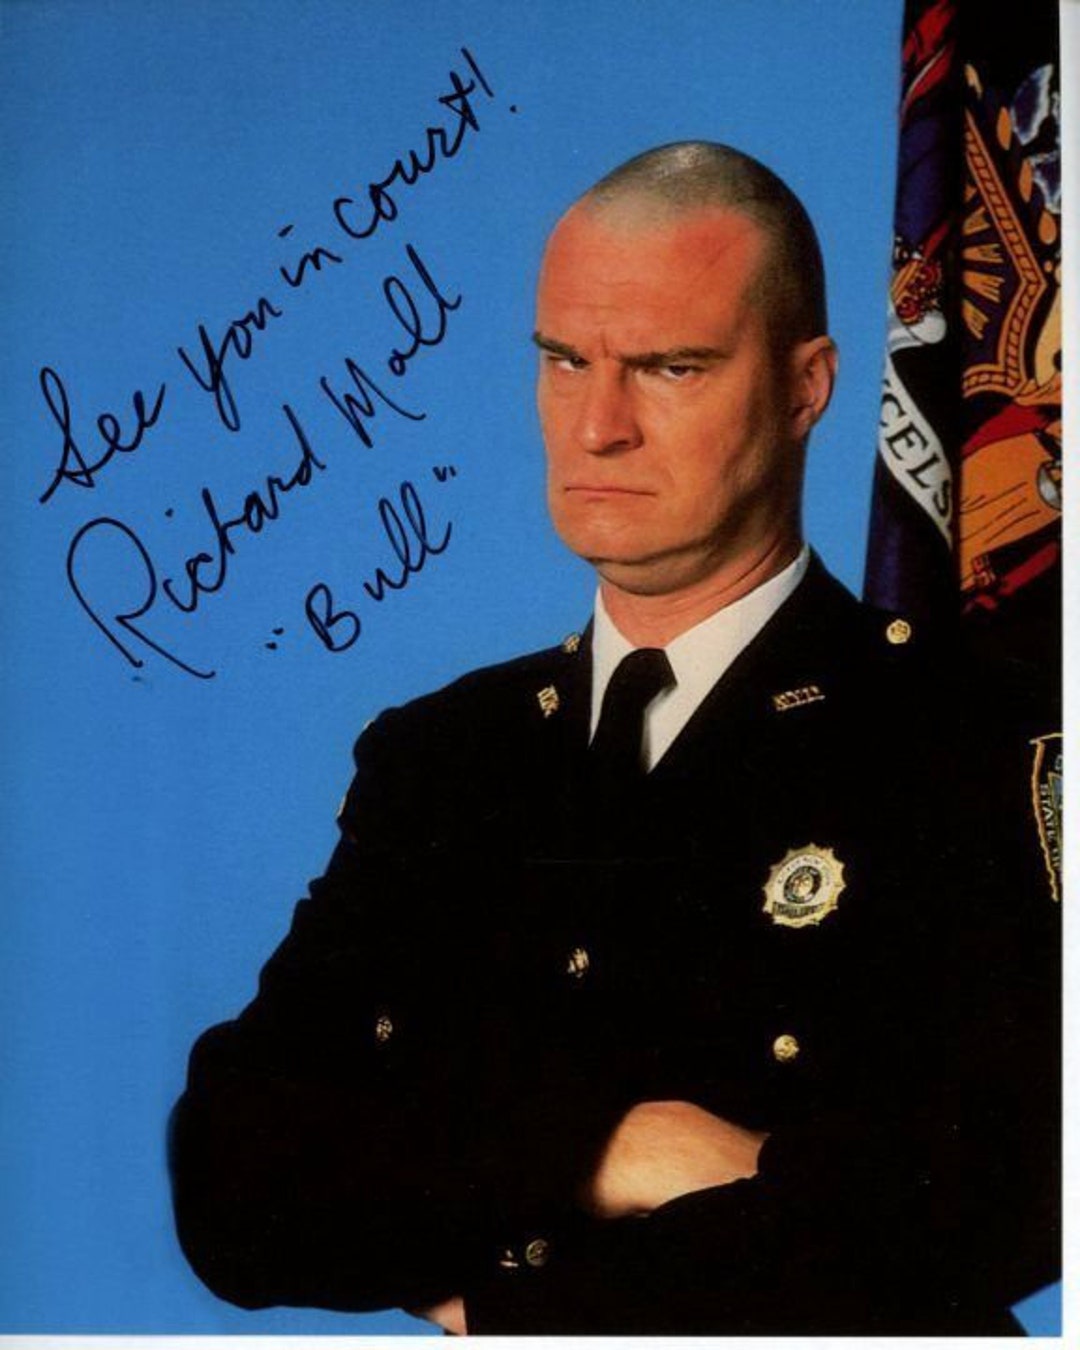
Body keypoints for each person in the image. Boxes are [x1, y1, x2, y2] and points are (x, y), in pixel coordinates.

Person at [169, 142, 1059, 1335]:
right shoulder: (445, 761)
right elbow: (234, 1176)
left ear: (807, 388)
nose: (597, 428)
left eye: (670, 367)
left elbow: (997, 1204)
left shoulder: (966, 736)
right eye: (564, 362)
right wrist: (614, 1148)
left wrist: (505, 1294)